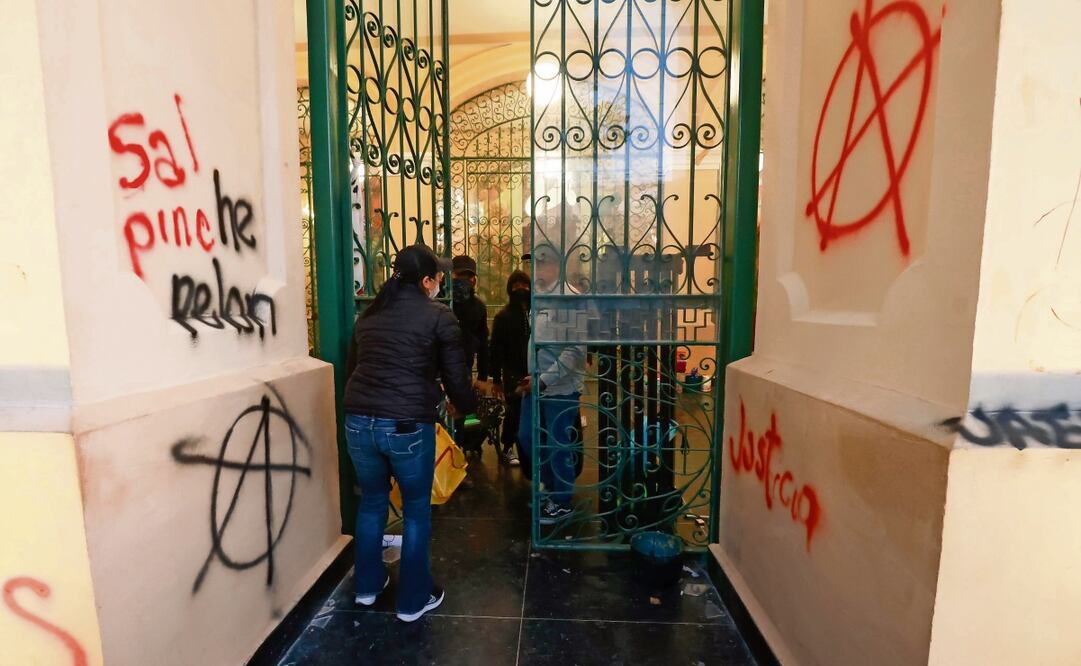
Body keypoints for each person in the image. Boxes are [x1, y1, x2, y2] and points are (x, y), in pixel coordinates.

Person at [342, 244, 478, 623]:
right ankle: (413, 599)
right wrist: (467, 409)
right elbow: (456, 376)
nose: (441, 283)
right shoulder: (438, 316)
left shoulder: (369, 316)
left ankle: (367, 588)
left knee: (372, 501)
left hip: (358, 422)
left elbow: (354, 369)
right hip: (405, 425)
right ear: (426, 281)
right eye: (438, 277)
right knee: (416, 510)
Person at [517, 243, 586, 525]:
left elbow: (576, 350)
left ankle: (562, 501)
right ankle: (549, 487)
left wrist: (544, 380)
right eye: (533, 263)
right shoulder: (540, 296)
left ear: (557, 266)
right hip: (536, 384)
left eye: (541, 263)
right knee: (528, 437)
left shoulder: (571, 299)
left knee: (558, 443)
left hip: (559, 388)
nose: (535, 268)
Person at [489, 270, 531, 467]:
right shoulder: (503, 317)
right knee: (514, 411)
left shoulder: (537, 313)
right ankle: (507, 448)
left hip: (535, 371)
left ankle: (530, 450)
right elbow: (495, 349)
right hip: (513, 372)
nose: (521, 289)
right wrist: (496, 379)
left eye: (524, 285)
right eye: (516, 286)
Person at [450, 255, 490, 453]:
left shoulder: (478, 307)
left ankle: (465, 450)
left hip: (464, 368)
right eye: (459, 275)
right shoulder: (441, 301)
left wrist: (483, 376)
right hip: (437, 369)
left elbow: (483, 343)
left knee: (467, 414)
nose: (464, 280)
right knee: (443, 416)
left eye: (468, 276)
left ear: (474, 279)